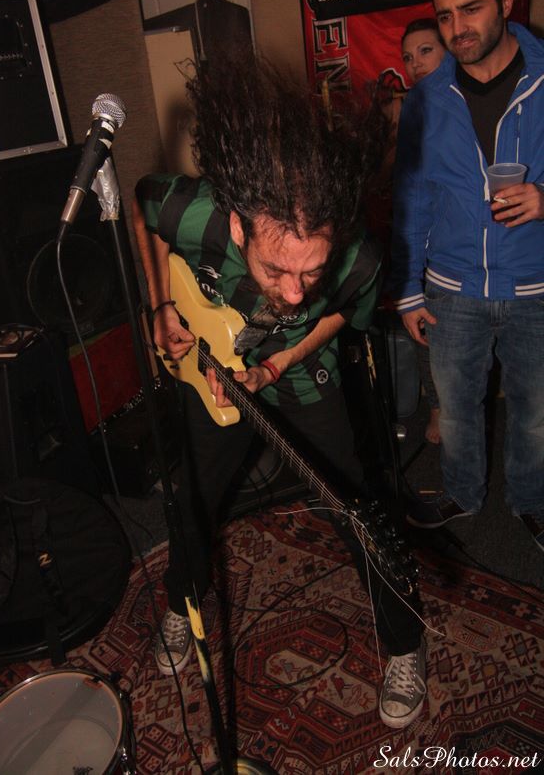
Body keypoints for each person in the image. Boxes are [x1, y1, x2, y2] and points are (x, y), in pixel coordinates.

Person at [133, 56, 427, 729]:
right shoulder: (194, 212)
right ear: (238, 225)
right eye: (276, 269)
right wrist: (161, 305)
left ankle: (405, 641)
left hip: (297, 374)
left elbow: (336, 315)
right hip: (211, 367)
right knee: (192, 496)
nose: (295, 291)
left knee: (355, 506)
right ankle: (183, 602)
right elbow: (139, 211)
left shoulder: (359, 256)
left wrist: (275, 365)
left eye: (310, 270)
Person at [389, 0, 544, 552]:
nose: (458, 28)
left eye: (471, 9)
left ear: (506, 1)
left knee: (536, 413)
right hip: (452, 290)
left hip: (535, 286)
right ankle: (461, 492)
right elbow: (412, 198)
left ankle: (531, 500)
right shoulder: (426, 99)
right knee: (455, 410)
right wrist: (407, 290)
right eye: (446, 16)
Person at [400, 19, 446, 444]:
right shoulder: (414, 105)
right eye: (408, 57)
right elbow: (409, 188)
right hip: (431, 253)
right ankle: (436, 407)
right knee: (425, 333)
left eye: (425, 51)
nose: (415, 63)